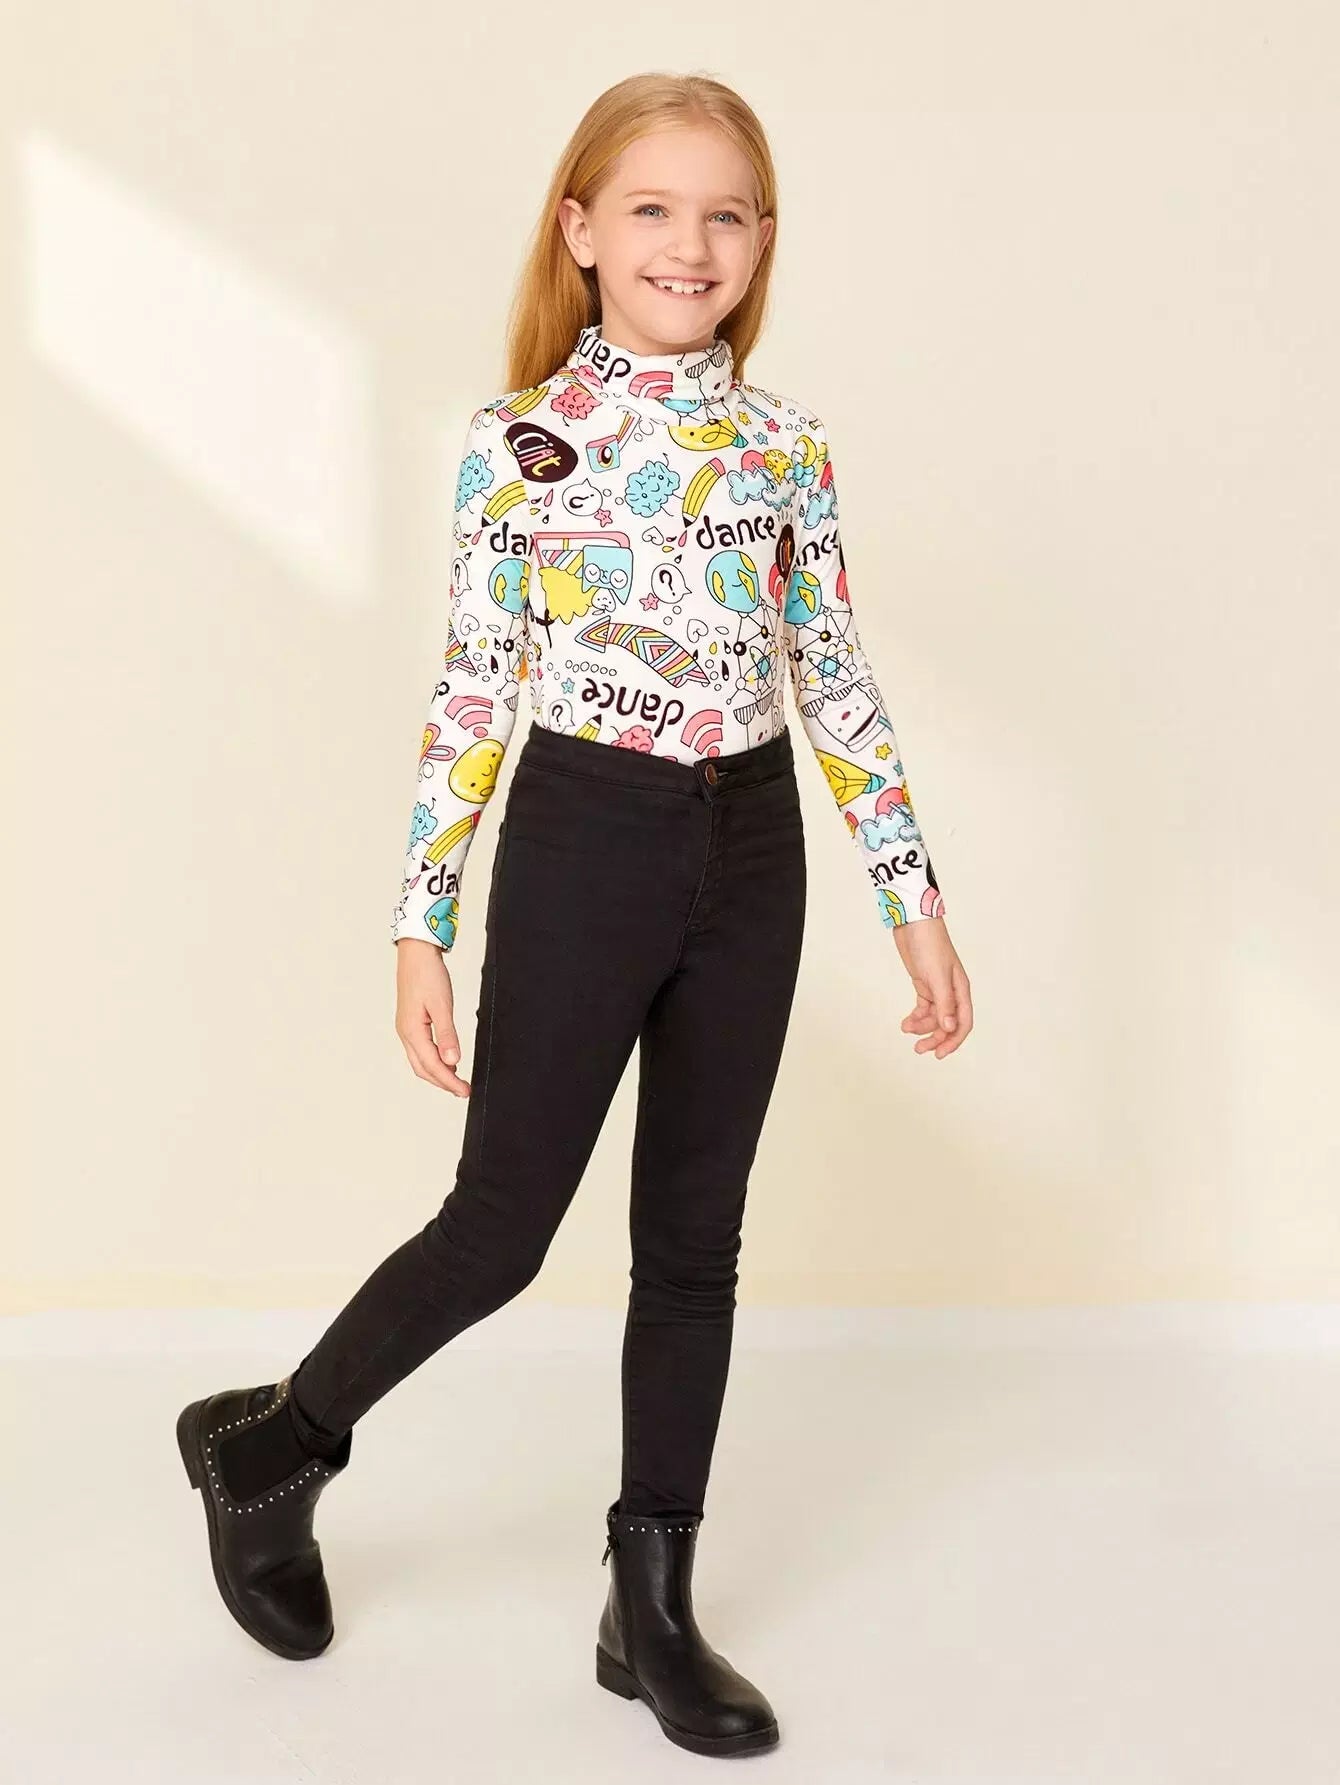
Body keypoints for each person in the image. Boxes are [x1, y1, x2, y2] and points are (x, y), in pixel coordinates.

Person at [176, 70, 973, 1757]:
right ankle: (274, 1449)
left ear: (763, 241)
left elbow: (831, 670)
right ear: (583, 229)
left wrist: (912, 897)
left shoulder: (785, 446)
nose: (693, 243)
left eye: (727, 213)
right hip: (586, 839)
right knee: (503, 1225)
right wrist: (421, 920)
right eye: (655, 208)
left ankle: (650, 1598)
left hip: (754, 849)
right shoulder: (517, 444)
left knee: (694, 1236)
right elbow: (474, 685)